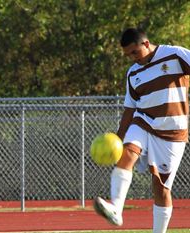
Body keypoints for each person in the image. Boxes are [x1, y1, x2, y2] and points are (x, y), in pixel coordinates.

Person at [94, 27, 190, 233]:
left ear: (146, 44)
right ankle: (116, 209)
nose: (132, 58)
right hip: (144, 121)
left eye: (134, 52)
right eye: (128, 55)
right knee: (127, 152)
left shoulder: (175, 55)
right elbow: (130, 109)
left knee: (161, 188)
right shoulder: (133, 73)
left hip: (173, 134)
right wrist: (118, 139)